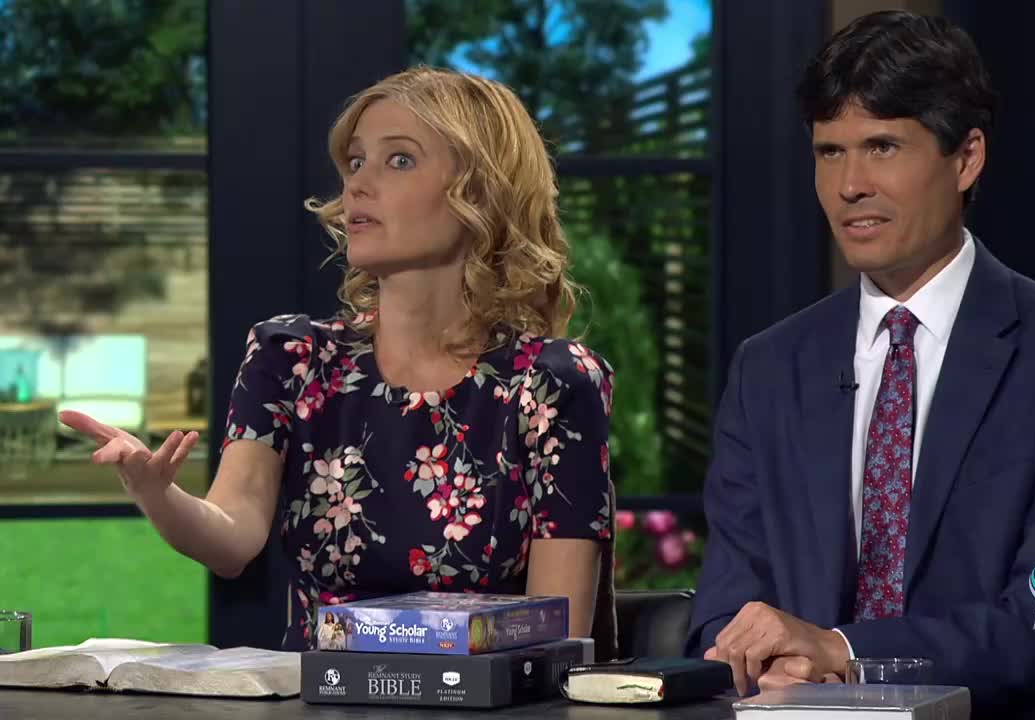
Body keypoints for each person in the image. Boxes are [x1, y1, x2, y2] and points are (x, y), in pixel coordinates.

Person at [686, 11, 1035, 719]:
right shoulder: (770, 368)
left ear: (966, 159)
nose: (849, 185)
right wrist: (762, 663)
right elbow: (725, 604)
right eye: (830, 152)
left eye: (882, 146)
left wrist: (843, 651)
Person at [60, 66, 617, 652]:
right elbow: (231, 541)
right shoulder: (293, 358)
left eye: (398, 160)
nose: (358, 185)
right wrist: (157, 493)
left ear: (480, 192)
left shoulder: (552, 382)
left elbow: (561, 642)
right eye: (355, 162)